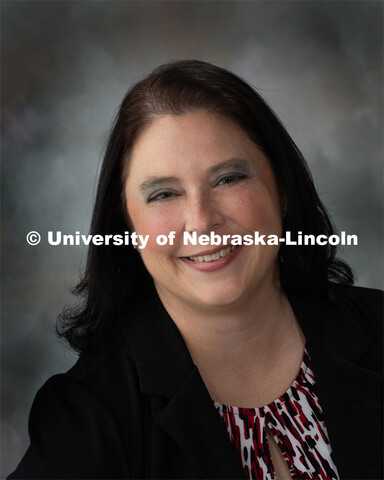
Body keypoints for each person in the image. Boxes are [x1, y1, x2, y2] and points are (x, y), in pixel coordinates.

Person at [9, 60, 382, 480]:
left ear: (281, 190)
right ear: (127, 226)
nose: (202, 221)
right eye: (164, 193)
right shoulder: (90, 414)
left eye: (228, 179)